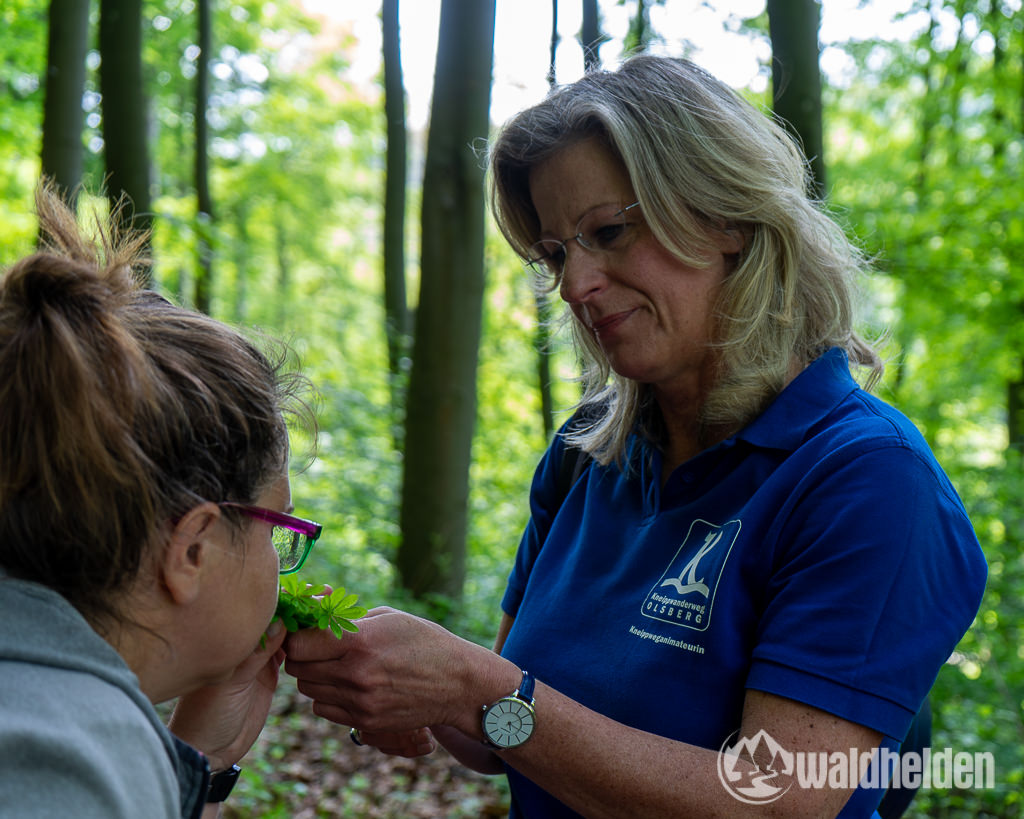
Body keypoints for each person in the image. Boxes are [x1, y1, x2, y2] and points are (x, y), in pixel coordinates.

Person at [283, 55, 987, 818]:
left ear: (727, 217)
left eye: (609, 231)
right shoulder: (588, 455)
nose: (575, 283)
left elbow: (777, 800)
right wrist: (409, 683)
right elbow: (504, 732)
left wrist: (475, 686)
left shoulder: (867, 481)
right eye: (555, 253)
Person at [0, 183, 323, 818]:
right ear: (193, 548)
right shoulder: (67, 762)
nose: (279, 558)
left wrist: (197, 757)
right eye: (275, 529)